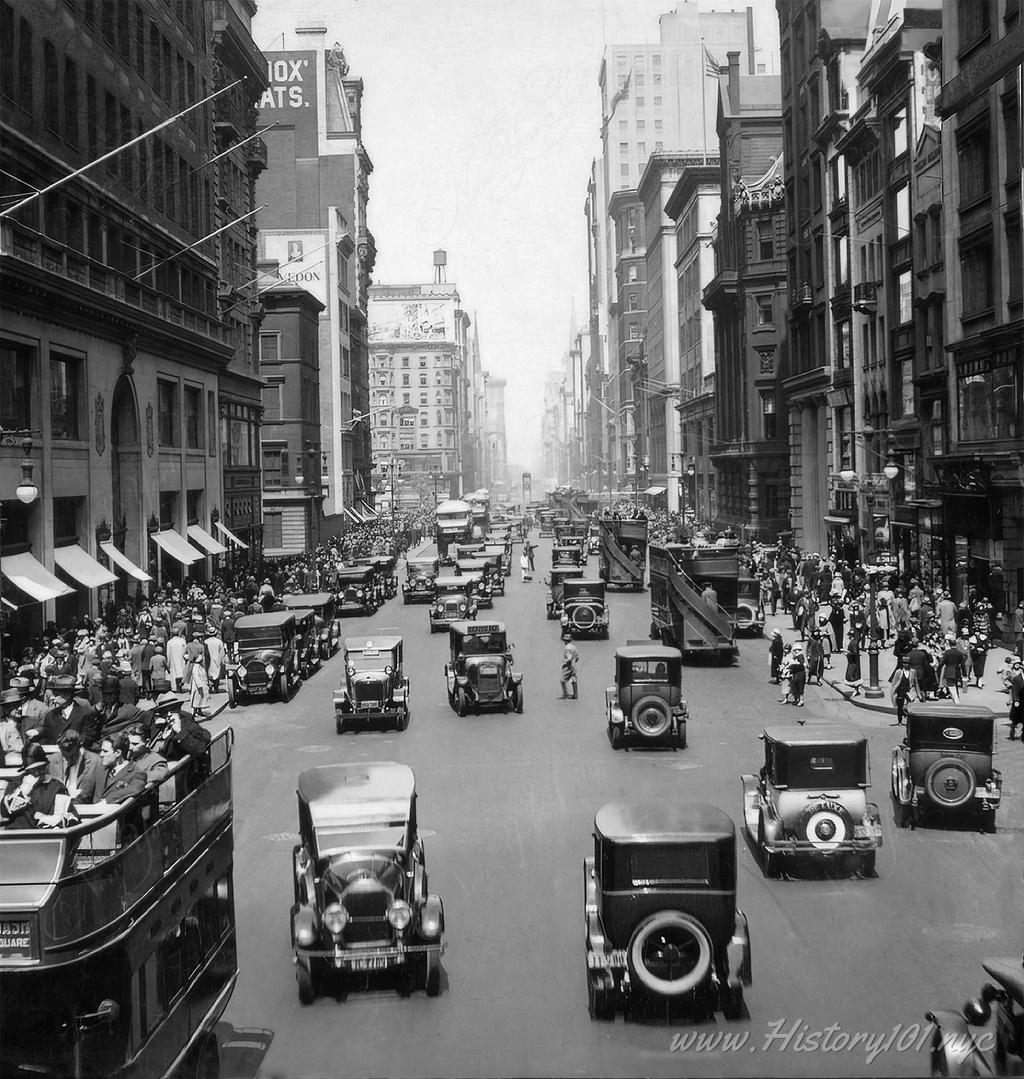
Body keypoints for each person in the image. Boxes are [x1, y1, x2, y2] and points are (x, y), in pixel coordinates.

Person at [1, 743, 75, 829]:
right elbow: (4, 812)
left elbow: (64, 817)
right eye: (33, 770)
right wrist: (23, 792)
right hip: (16, 836)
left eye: (41, 768)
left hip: (44, 837)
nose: (37, 773)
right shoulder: (16, 784)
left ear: (45, 767)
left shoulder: (56, 787)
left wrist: (43, 818)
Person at [97, 734, 148, 803]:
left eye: (105, 751)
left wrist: (107, 801)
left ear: (118, 753)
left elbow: (136, 788)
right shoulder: (100, 769)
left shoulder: (137, 773)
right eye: (101, 750)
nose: (101, 754)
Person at [0, 688, 26, 766]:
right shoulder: (3, 725)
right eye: (16, 706)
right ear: (7, 708)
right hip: (12, 761)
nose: (20, 708)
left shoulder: (24, 722)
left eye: (20, 705)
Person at [889, 657, 916, 726]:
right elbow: (894, 683)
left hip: (909, 691)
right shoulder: (898, 672)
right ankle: (900, 721)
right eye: (904, 663)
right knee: (900, 706)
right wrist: (893, 692)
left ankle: (909, 721)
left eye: (907, 663)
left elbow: (916, 683)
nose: (906, 665)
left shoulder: (913, 672)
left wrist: (919, 693)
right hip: (900, 691)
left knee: (909, 707)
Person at [1007, 659, 1024, 741]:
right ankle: (1014, 734)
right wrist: (1016, 700)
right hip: (1019, 701)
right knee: (1017, 719)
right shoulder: (1017, 679)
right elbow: (1015, 690)